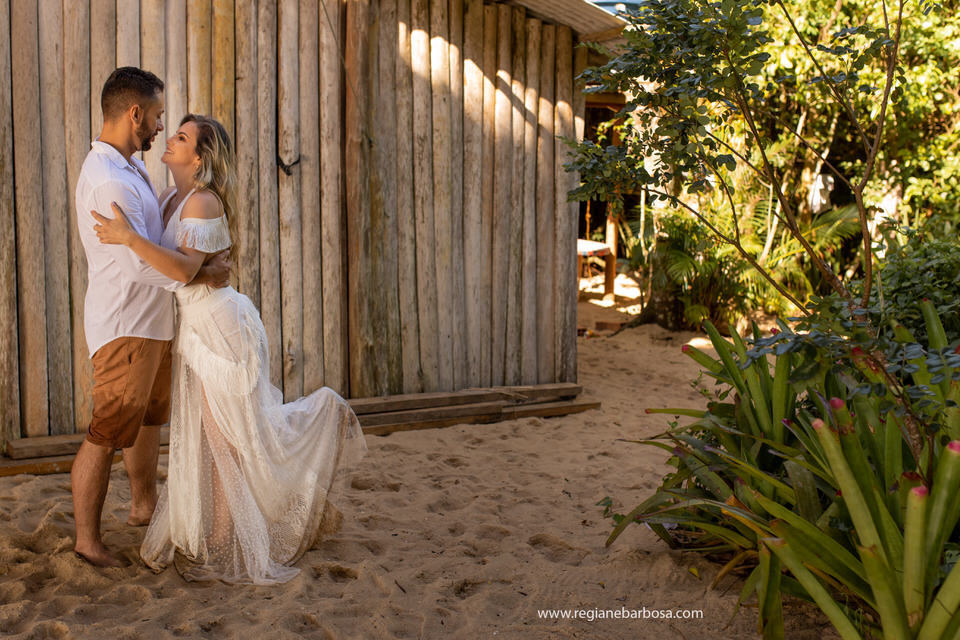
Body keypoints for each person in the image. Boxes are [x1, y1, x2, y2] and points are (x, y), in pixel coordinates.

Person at [91, 114, 367, 585]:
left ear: (198, 157)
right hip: (197, 327)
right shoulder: (171, 197)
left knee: (228, 437)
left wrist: (130, 238)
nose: (171, 140)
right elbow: (186, 268)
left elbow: (181, 269)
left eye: (181, 137)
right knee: (211, 434)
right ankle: (219, 532)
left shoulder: (201, 201)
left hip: (221, 327)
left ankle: (228, 534)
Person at [73, 67, 231, 568]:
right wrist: (198, 276)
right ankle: (87, 541)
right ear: (135, 114)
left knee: (145, 422)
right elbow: (134, 263)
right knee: (106, 432)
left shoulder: (132, 167)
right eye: (159, 117)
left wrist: (196, 266)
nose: (161, 127)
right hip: (126, 325)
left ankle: (143, 506)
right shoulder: (105, 179)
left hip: (154, 322)